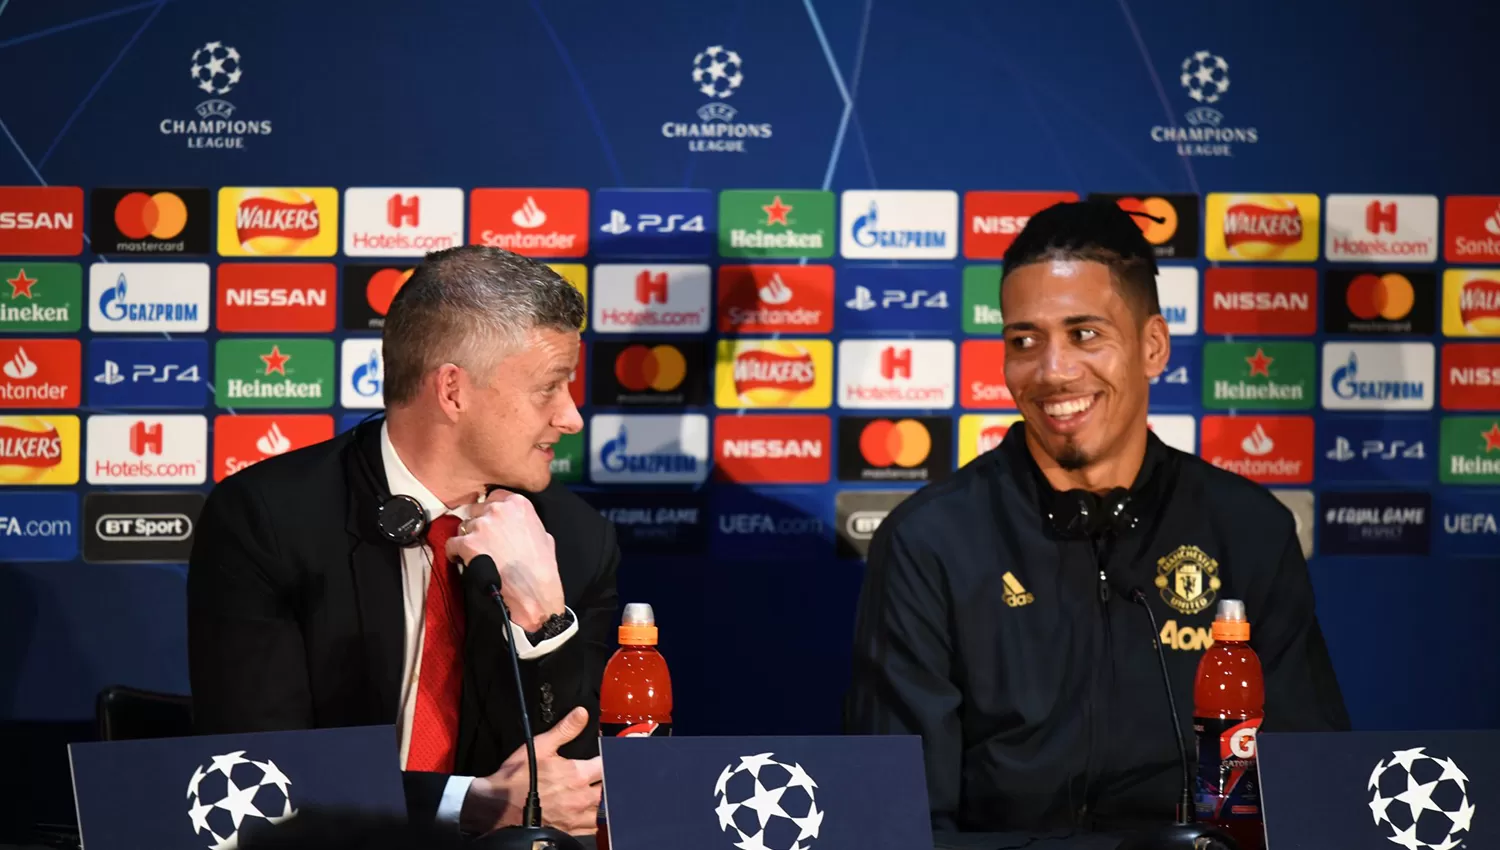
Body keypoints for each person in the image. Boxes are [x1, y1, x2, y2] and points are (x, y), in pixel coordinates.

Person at [844, 201, 1349, 834]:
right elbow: (899, 818)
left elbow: (1309, 791)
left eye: (1085, 334)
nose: (1052, 372)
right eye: (1024, 341)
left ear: (1153, 346)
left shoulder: (1247, 530)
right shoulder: (930, 542)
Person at [188, 245, 619, 837]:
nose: (571, 417)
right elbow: (256, 778)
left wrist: (544, 620)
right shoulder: (269, 519)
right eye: (549, 387)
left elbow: (574, 786)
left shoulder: (574, 539)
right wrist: (465, 802)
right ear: (452, 391)